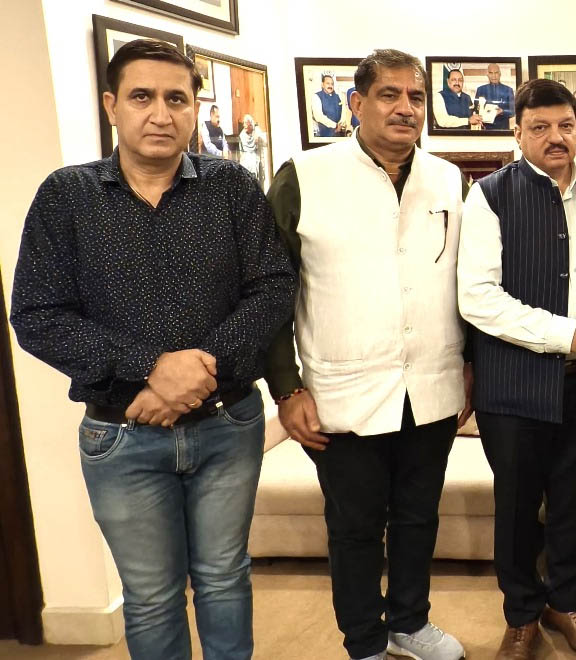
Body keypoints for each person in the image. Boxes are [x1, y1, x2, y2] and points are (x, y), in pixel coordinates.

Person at [10, 38, 296, 660]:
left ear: (195, 109)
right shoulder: (67, 196)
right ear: (112, 105)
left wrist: (199, 370)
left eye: (177, 99)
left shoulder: (231, 187)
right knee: (150, 597)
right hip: (121, 435)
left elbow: (274, 285)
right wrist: (152, 369)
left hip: (227, 426)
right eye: (142, 97)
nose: (161, 114)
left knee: (225, 578)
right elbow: (36, 315)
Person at [264, 49, 470, 660]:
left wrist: (471, 366)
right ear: (356, 103)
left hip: (431, 387)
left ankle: (410, 623)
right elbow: (268, 292)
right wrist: (286, 387)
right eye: (389, 95)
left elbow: (465, 284)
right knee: (354, 528)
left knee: (418, 518)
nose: (406, 108)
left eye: (416, 97)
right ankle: (365, 642)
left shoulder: (448, 179)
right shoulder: (305, 176)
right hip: (341, 393)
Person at [457, 78, 576, 660]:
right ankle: (522, 614)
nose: (556, 137)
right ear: (517, 132)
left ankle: (566, 603)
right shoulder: (489, 196)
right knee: (517, 510)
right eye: (540, 127)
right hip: (513, 388)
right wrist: (566, 334)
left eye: (565, 126)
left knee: (575, 502)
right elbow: (477, 298)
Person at [476, 63, 516, 130]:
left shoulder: (508, 90)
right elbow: (476, 110)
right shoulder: (480, 90)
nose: (494, 76)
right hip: (485, 129)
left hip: (503, 129)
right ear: (487, 75)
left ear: (500, 74)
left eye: (496, 73)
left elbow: (513, 111)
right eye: (491, 73)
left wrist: (502, 111)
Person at [310, 73, 350, 137]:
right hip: (325, 134)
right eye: (328, 83)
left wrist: (341, 124)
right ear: (322, 84)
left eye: (332, 84)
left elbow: (343, 111)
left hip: (339, 133)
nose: (330, 86)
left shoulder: (338, 96)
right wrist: (335, 125)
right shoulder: (316, 96)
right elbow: (318, 116)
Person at [237, 114, 269, 188]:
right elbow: (241, 152)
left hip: (257, 160)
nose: (244, 125)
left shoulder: (256, 131)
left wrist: (258, 137)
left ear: (250, 124)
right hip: (246, 162)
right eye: (244, 123)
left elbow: (266, 143)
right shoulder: (242, 136)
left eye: (246, 123)